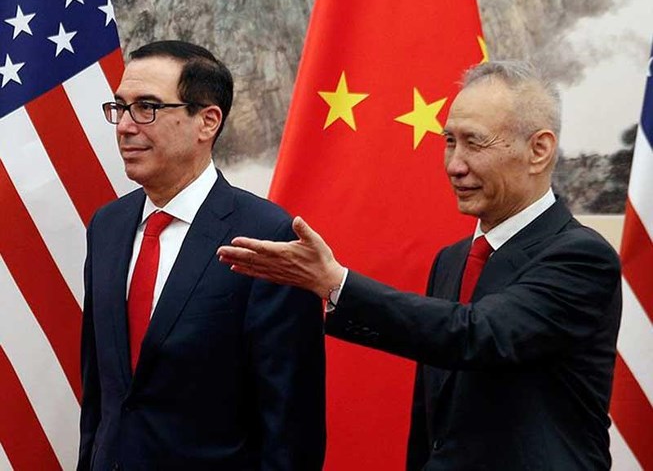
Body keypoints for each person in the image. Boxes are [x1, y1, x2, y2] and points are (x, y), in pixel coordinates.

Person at [218, 60, 622, 470]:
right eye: (449, 141)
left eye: (474, 143)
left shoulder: (582, 256)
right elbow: (432, 416)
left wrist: (337, 282)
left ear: (539, 150)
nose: (455, 165)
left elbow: (478, 335)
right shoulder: (452, 260)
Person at [78, 40, 325, 471]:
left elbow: (290, 427)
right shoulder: (107, 227)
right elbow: (101, 394)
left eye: (147, 107)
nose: (125, 126)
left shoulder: (266, 235)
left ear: (207, 121)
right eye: (120, 107)